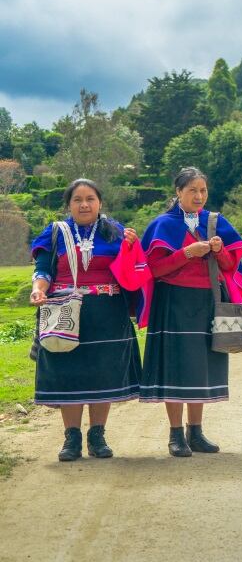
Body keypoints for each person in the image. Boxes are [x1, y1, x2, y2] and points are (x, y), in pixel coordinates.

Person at [29, 178, 149, 461]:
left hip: (107, 313)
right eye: (77, 199)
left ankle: (97, 436)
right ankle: (71, 439)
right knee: (67, 372)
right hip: (65, 313)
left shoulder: (116, 232)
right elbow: (44, 269)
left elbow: (131, 272)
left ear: (100, 202)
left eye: (90, 198)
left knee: (102, 373)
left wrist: (131, 248)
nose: (84, 204)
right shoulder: (56, 233)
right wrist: (38, 290)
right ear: (68, 205)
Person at [139, 167, 242, 457]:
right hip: (173, 302)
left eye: (203, 191)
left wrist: (219, 250)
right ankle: (176, 435)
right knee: (175, 367)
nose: (199, 196)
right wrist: (187, 253)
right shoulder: (162, 225)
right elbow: (155, 269)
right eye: (192, 191)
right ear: (178, 193)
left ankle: (196, 433)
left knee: (200, 366)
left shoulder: (216, 222)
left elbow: (229, 266)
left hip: (208, 301)